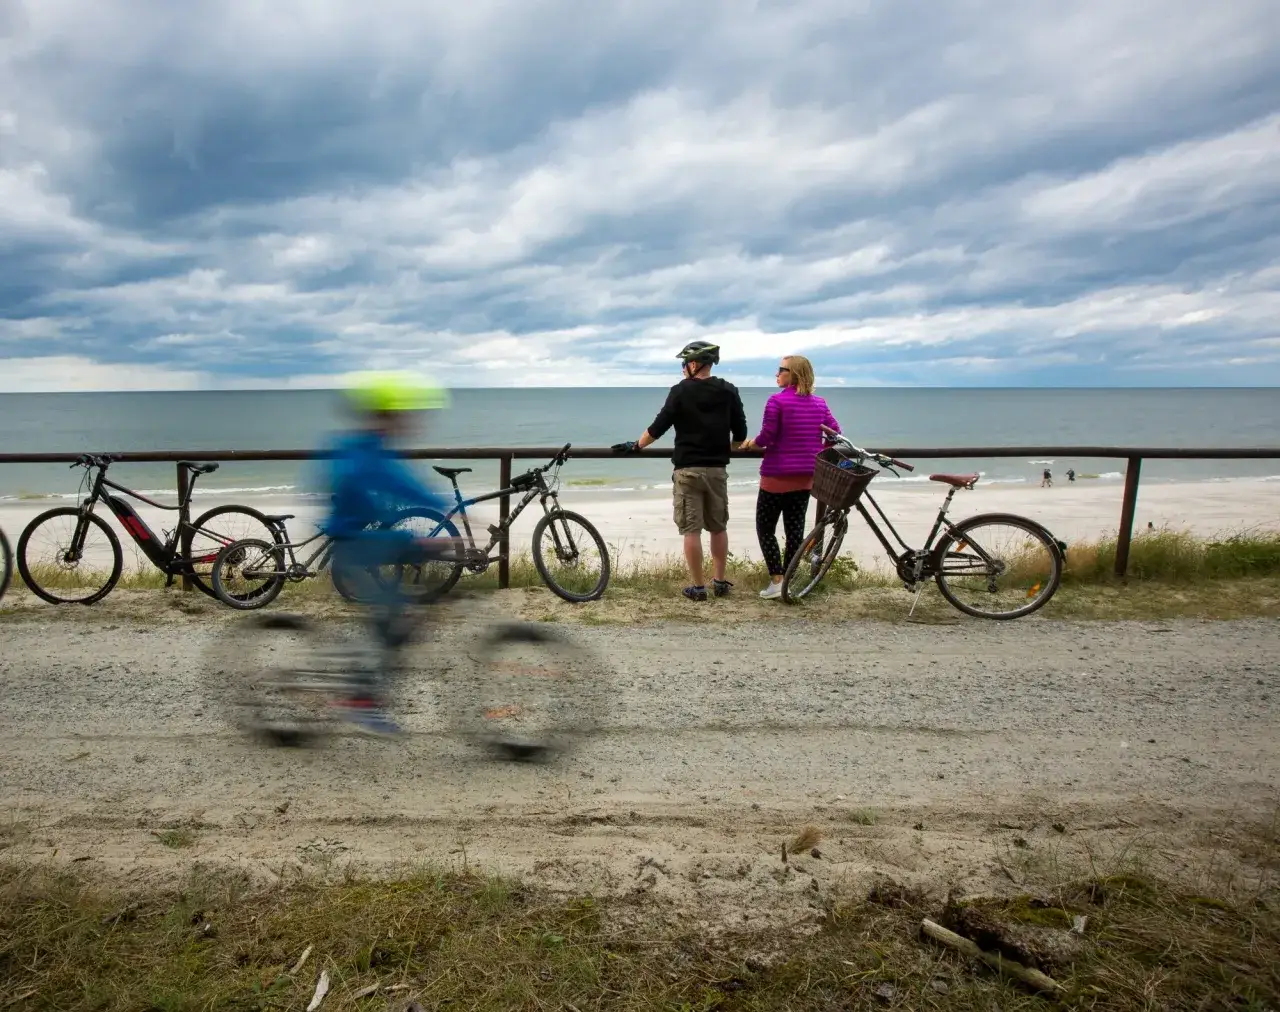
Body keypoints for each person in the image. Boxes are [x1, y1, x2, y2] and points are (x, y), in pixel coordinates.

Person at [321, 371, 456, 734]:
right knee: (393, 619)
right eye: (403, 414)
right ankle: (361, 700)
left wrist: (442, 507)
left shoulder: (372, 449)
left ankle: (363, 687)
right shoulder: (363, 454)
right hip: (353, 549)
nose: (410, 421)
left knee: (399, 618)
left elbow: (403, 483)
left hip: (364, 544)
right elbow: (369, 486)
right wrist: (413, 541)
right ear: (385, 415)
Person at [612, 341, 747, 601]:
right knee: (718, 528)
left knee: (691, 530)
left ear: (694, 364)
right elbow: (740, 434)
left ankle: (698, 588)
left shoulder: (680, 391)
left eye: (684, 364)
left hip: (688, 471)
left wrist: (636, 445)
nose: (683, 369)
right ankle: (719, 582)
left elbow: (657, 428)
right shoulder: (729, 391)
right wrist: (723, 449)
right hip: (717, 470)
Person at [740, 355, 840, 599]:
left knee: (765, 528)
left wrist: (751, 443)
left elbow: (767, 436)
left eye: (780, 370)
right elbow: (835, 433)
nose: (776, 374)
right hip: (806, 476)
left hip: (776, 476)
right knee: (794, 530)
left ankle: (777, 580)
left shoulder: (776, 401)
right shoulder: (819, 403)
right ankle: (790, 581)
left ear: (793, 374)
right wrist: (817, 452)